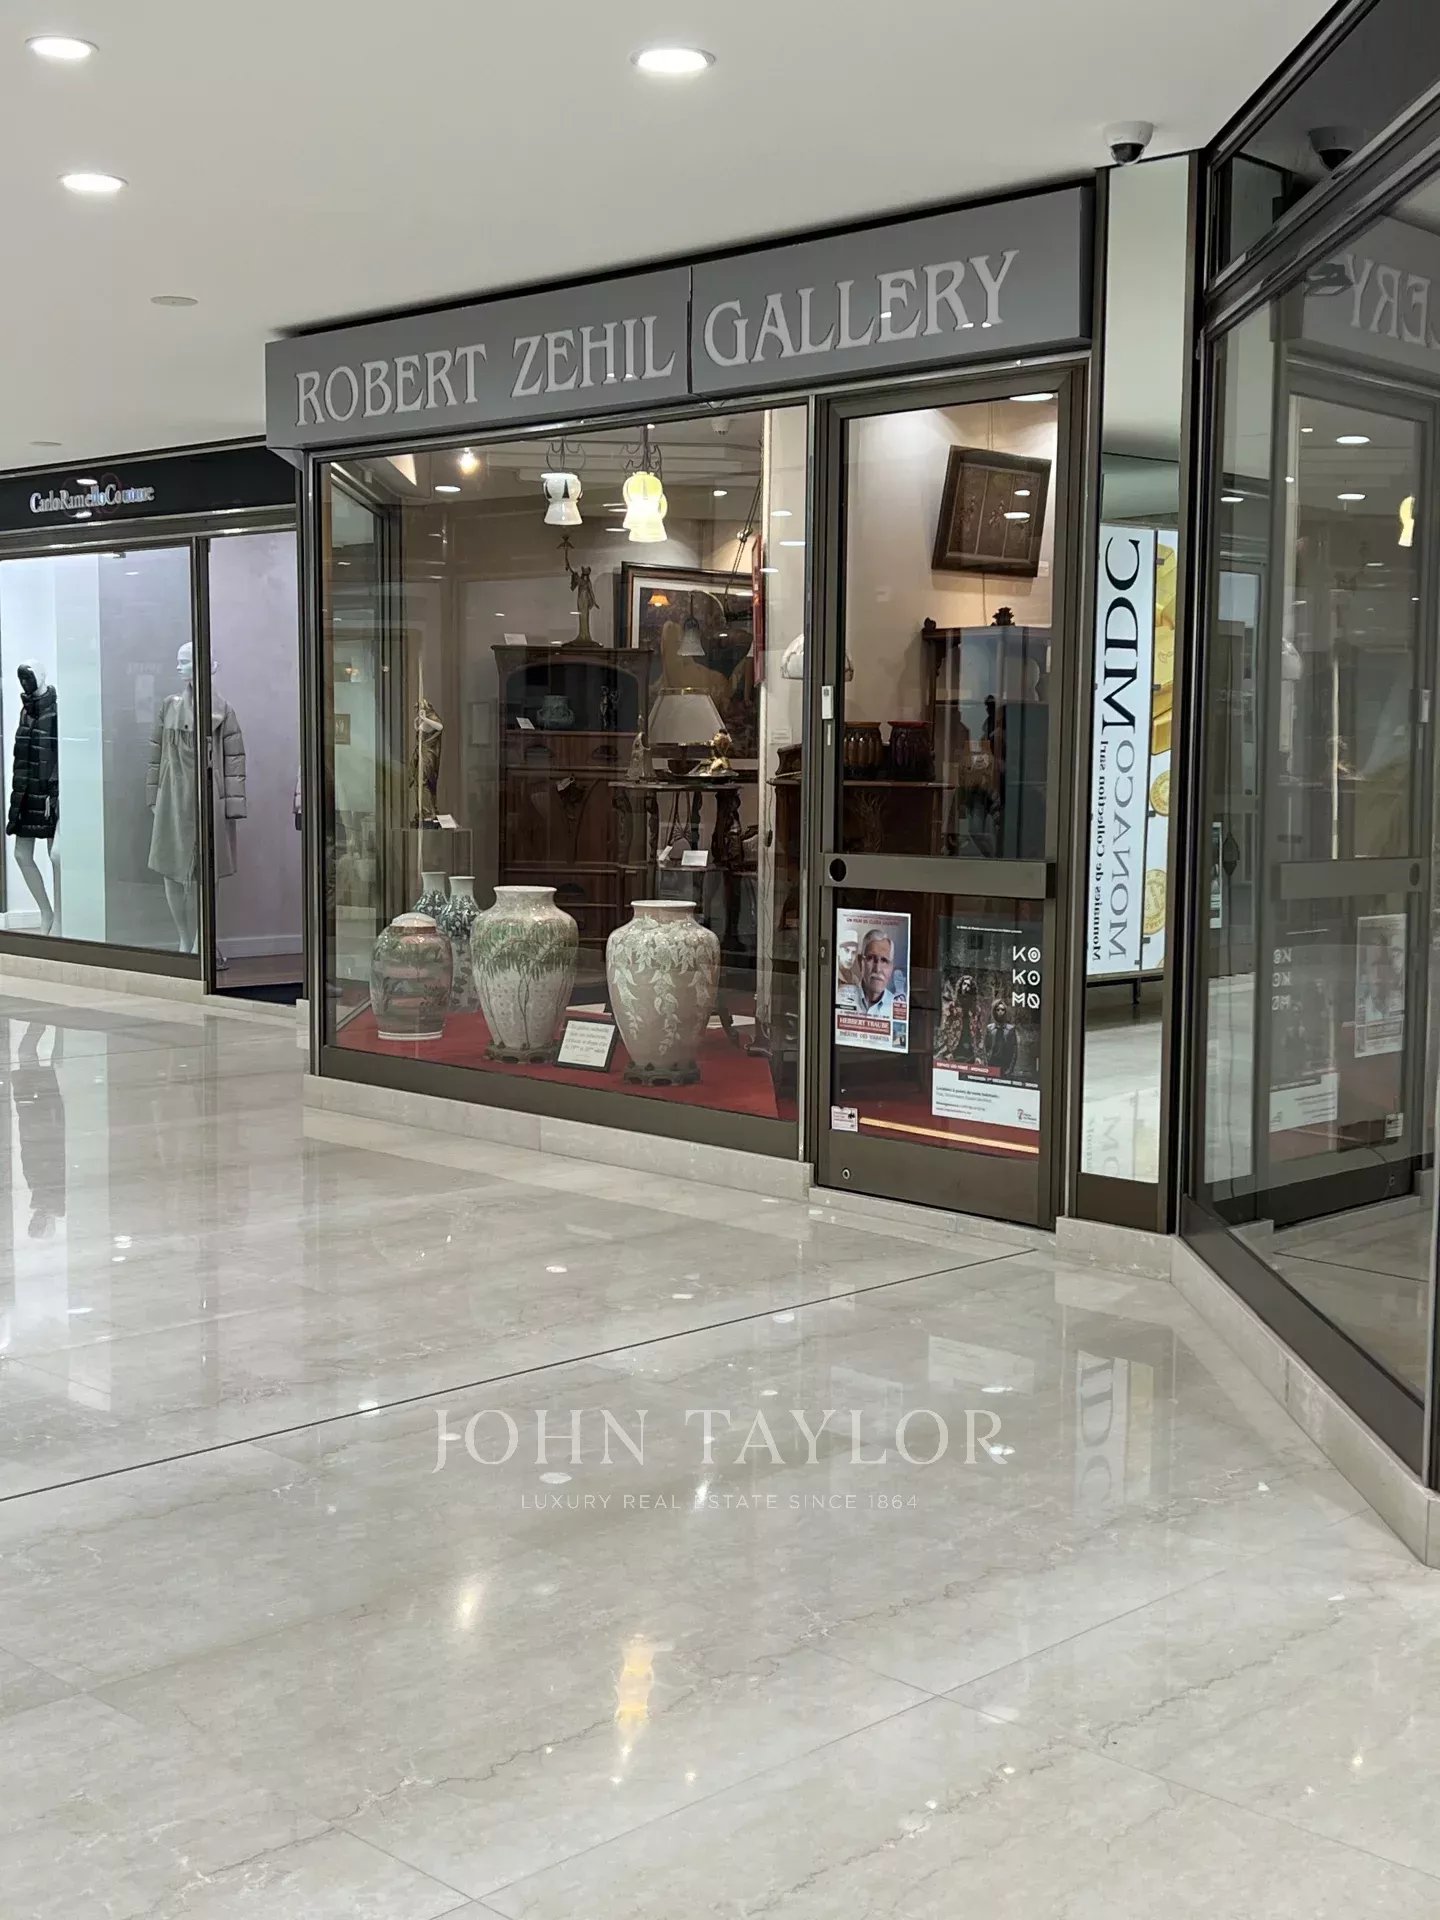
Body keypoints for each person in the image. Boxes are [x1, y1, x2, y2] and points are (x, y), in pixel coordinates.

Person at [838, 930, 899, 1018]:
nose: (877, 969)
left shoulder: (897, 1006)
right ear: (860, 962)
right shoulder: (840, 997)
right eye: (871, 958)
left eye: (884, 960)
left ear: (892, 967)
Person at [982, 999, 1019, 1077]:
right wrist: (986, 1065)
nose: (1000, 1011)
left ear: (1005, 1011)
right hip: (992, 1063)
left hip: (1005, 1065)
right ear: (994, 1011)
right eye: (998, 1009)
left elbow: (1014, 1051)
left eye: (1002, 1009)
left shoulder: (1010, 1029)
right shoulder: (990, 1028)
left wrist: (1010, 1069)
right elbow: (985, 1048)